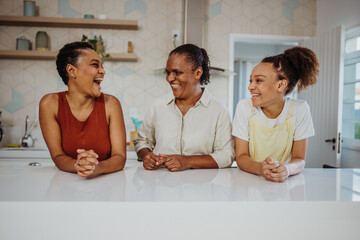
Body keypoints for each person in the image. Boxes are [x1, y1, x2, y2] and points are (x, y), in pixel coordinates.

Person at [134, 44, 235, 171]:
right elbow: (141, 141)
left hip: (201, 187)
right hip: (160, 184)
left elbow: (226, 155)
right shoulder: (157, 106)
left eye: (177, 72)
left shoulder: (219, 111)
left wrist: (188, 161)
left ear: (198, 73)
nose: (170, 78)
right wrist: (146, 155)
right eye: (168, 72)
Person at [39, 41, 126, 177]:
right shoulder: (49, 104)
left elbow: (119, 157)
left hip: (107, 183)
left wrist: (98, 167)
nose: (102, 71)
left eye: (102, 66)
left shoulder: (111, 104)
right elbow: (58, 156)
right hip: (66, 184)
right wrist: (77, 165)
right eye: (95, 65)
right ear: (71, 71)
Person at [232, 46, 319, 182]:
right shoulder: (244, 107)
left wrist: (287, 169)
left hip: (285, 182)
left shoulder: (300, 109)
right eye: (251, 81)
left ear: (281, 85)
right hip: (250, 181)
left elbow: (299, 159)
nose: (250, 87)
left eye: (259, 80)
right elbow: (241, 157)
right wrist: (261, 168)